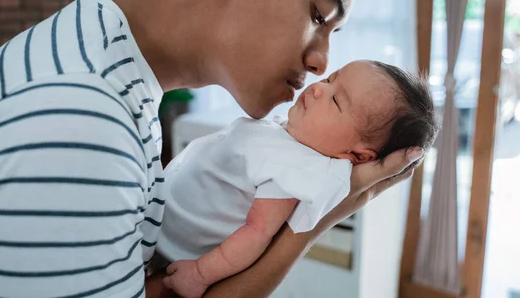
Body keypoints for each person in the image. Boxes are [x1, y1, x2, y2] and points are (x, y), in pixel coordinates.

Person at [0, 0, 424, 297]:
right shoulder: (78, 116)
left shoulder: (109, 68)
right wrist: (322, 215)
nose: (322, 62)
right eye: (318, 15)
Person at [153, 60, 438, 297]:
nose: (317, 89)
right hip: (158, 213)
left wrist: (202, 273)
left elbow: (256, 234)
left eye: (336, 100)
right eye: (329, 80)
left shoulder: (300, 171)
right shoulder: (290, 136)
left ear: (358, 156)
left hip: (172, 245)